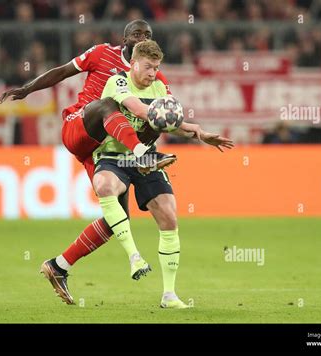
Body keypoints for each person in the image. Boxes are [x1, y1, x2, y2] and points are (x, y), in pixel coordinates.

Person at [43, 40, 234, 308]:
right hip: (113, 156)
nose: (152, 73)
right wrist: (169, 118)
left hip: (147, 157)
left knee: (168, 215)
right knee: (104, 184)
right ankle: (134, 257)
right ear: (133, 64)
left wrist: (198, 133)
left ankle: (169, 295)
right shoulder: (117, 83)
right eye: (147, 67)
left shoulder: (159, 88)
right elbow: (139, 110)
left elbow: (166, 123)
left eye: (156, 68)